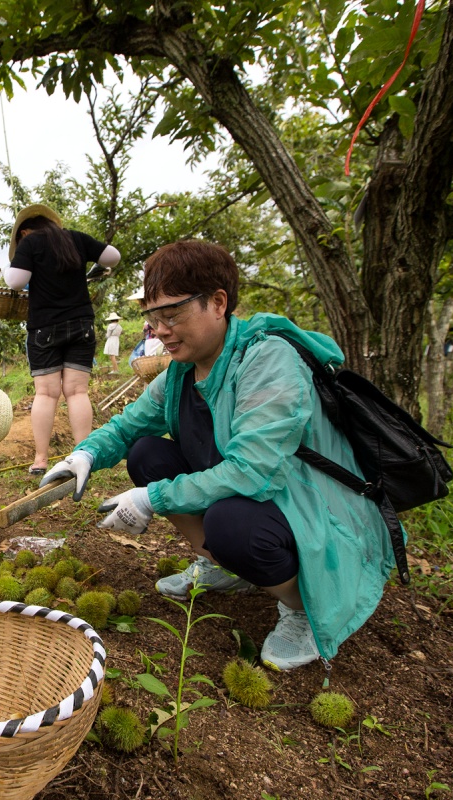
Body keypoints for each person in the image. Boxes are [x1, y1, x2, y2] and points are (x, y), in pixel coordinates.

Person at [40, 240, 394, 671]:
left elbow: (252, 472)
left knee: (231, 524)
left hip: (314, 506)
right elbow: (129, 425)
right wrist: (87, 454)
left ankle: (303, 607)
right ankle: (225, 567)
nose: (160, 331)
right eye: (153, 318)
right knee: (148, 453)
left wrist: (152, 498)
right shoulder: (182, 371)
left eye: (172, 314)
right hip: (263, 496)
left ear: (218, 303)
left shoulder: (268, 359)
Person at [3, 204, 121, 474]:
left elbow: (15, 281)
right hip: (82, 325)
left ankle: (41, 459)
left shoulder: (30, 242)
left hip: (45, 328)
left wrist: (21, 260)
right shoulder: (75, 238)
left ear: (24, 231)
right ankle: (83, 456)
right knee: (77, 392)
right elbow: (113, 257)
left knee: (46, 393)